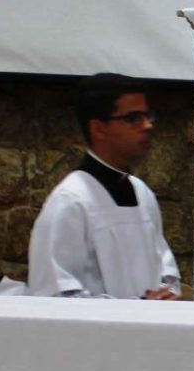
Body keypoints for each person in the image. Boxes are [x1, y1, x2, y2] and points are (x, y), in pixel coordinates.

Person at [28, 73, 181, 299]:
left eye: (148, 115)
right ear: (98, 128)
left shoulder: (142, 192)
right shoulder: (71, 201)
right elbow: (56, 295)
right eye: (133, 118)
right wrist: (133, 310)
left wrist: (167, 294)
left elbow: (165, 269)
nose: (148, 125)